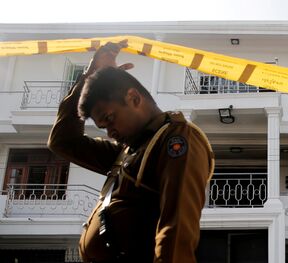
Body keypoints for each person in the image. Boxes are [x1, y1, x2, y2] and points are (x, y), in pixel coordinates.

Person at [48, 41, 214, 263]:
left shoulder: (176, 139)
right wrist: (89, 77)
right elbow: (63, 141)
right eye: (103, 127)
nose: (110, 132)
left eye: (109, 119)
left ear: (134, 98)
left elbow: (176, 231)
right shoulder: (127, 151)